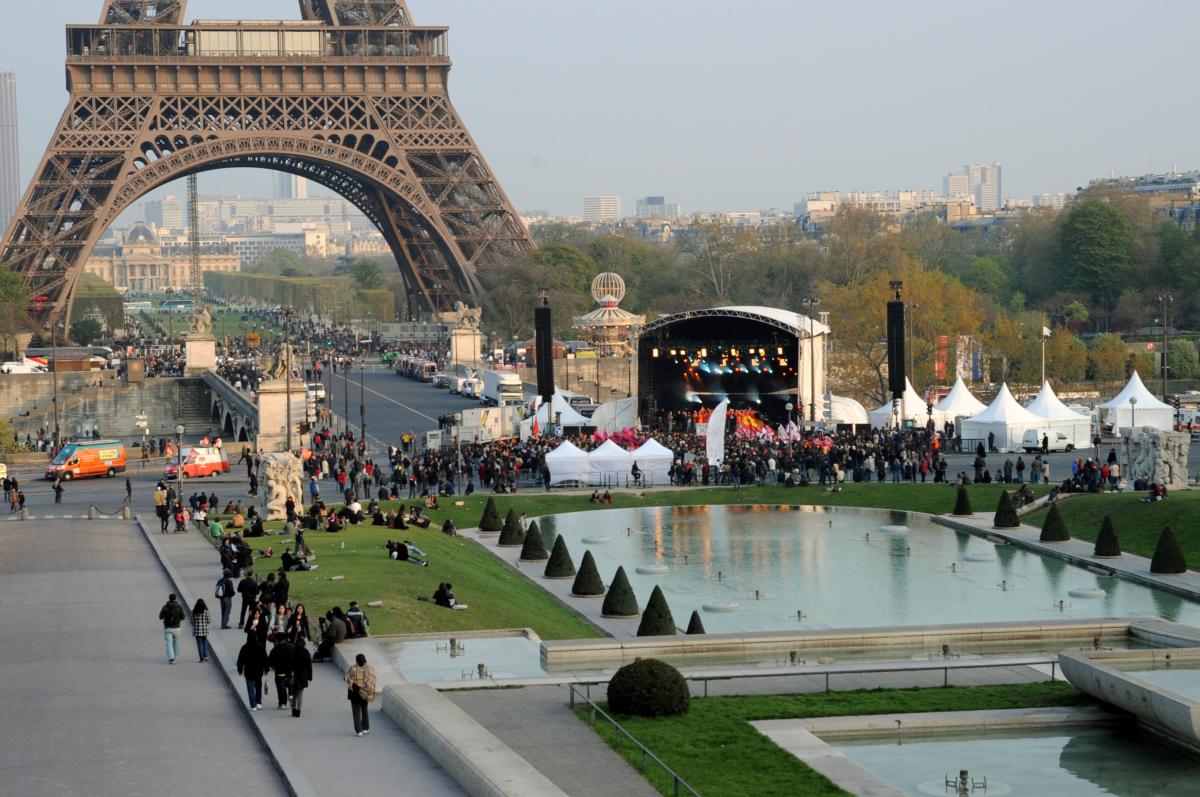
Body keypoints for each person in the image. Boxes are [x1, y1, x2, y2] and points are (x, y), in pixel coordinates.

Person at [344, 653, 377, 736]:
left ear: (356, 661)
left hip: (355, 693)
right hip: (365, 693)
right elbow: (374, 680)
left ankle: (359, 731)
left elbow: (347, 679)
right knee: (364, 710)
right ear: (365, 659)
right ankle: (366, 728)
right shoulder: (370, 669)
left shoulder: (353, 669)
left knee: (356, 712)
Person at [236, 637, 269, 711]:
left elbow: (240, 660)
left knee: (250, 688)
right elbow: (265, 659)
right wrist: (266, 669)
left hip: (249, 671)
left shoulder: (245, 648)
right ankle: (259, 703)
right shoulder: (260, 647)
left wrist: (240, 669)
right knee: (258, 687)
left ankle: (253, 705)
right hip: (258, 670)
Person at [267, 638, 295, 710]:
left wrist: (274, 667)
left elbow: (270, 662)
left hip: (279, 672)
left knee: (281, 689)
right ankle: (291, 695)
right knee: (290, 685)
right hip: (290, 672)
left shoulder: (275, 649)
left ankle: (282, 703)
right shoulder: (291, 647)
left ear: (277, 641)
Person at [158, 593, 185, 664]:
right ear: (175, 598)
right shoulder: (179, 607)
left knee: (169, 643)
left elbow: (160, 617)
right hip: (177, 628)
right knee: (176, 643)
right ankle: (176, 656)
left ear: (169, 598)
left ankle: (171, 658)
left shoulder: (165, 607)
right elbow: (183, 617)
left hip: (167, 628)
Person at [289, 639, 313, 718]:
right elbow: (309, 667)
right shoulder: (306, 653)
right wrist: (310, 677)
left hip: (295, 675)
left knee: (294, 694)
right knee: (300, 694)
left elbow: (290, 665)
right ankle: (298, 711)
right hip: (303, 676)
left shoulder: (293, 652)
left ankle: (293, 710)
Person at [191, 599, 212, 663]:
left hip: (197, 630)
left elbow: (191, 621)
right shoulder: (206, 611)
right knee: (204, 642)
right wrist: (205, 623)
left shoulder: (194, 611)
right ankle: (205, 656)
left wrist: (196, 624)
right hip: (204, 630)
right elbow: (209, 620)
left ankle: (201, 658)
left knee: (199, 644)